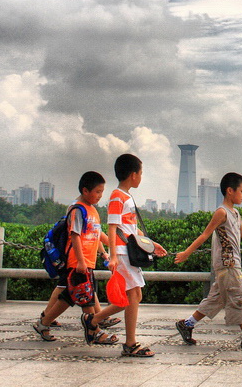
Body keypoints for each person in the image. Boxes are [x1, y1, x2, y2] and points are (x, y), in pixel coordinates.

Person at [174, 172, 242, 349]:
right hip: (227, 263)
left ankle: (187, 324)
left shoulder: (235, 213)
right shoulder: (221, 212)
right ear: (230, 191)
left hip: (232, 263)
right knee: (240, 297)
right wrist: (187, 253)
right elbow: (205, 235)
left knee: (216, 299)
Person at [32, 171, 121, 344]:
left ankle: (43, 323)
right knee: (85, 296)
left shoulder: (92, 210)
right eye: (97, 192)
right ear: (85, 190)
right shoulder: (77, 210)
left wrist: (115, 246)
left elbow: (97, 234)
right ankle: (95, 330)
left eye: (102, 192)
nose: (100, 196)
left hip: (87, 261)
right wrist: (80, 261)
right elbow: (75, 235)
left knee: (69, 297)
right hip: (77, 262)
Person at [106, 153, 167, 357]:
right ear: (133, 175)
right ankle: (130, 343)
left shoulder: (126, 196)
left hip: (127, 252)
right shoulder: (117, 196)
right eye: (141, 173)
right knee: (133, 295)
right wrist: (113, 256)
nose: (141, 177)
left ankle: (94, 320)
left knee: (135, 295)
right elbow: (112, 228)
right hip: (123, 253)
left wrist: (152, 244)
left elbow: (131, 229)